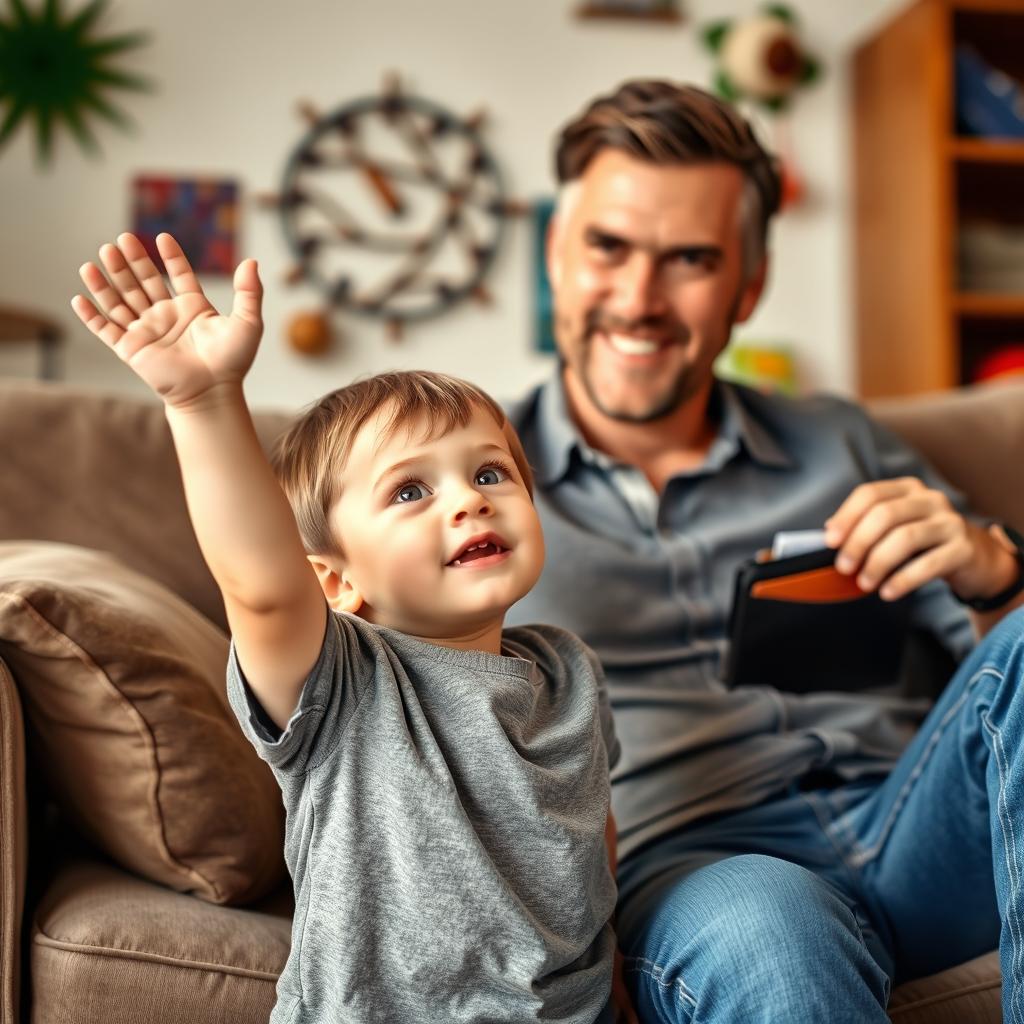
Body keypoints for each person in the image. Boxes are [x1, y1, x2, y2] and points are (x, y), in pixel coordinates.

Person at [502, 80, 1024, 1023]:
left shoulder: (840, 441)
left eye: (690, 260)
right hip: (703, 870)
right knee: (772, 919)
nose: (638, 299)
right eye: (608, 247)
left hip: (912, 826)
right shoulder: (469, 484)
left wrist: (990, 565)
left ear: (748, 284)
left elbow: (1002, 672)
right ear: (555, 255)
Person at [69, 236, 638, 1024]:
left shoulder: (571, 674)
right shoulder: (341, 681)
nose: (467, 502)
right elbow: (261, 587)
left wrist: (612, 966)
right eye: (410, 491)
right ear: (337, 581)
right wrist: (202, 403)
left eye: (488, 473)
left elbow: (591, 836)